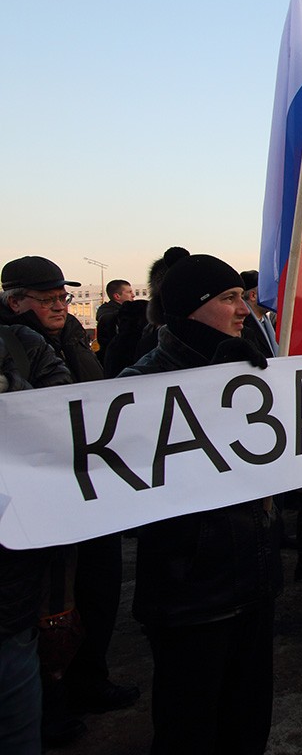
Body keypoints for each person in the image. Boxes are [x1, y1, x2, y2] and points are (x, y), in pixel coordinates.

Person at [119, 253, 280, 754]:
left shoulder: (249, 369)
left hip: (255, 579)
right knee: (190, 725)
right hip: (190, 593)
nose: (243, 310)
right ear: (192, 307)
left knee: (248, 717)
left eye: (242, 296)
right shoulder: (141, 384)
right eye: (229, 298)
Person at [1, 256, 137, 745]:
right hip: (38, 506)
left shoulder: (72, 341)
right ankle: (49, 707)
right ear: (15, 302)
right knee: (47, 609)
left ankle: (87, 680)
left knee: (97, 592)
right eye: (49, 299)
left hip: (90, 492)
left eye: (64, 297)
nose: (62, 306)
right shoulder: (13, 348)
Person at [0, 322, 73, 754]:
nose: (60, 308)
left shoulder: (20, 345)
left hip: (11, 584)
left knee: (16, 721)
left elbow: (64, 403)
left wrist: (10, 385)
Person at [95, 280, 134, 363]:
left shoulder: (106, 313)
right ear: (117, 296)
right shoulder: (114, 317)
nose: (133, 295)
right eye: (129, 292)